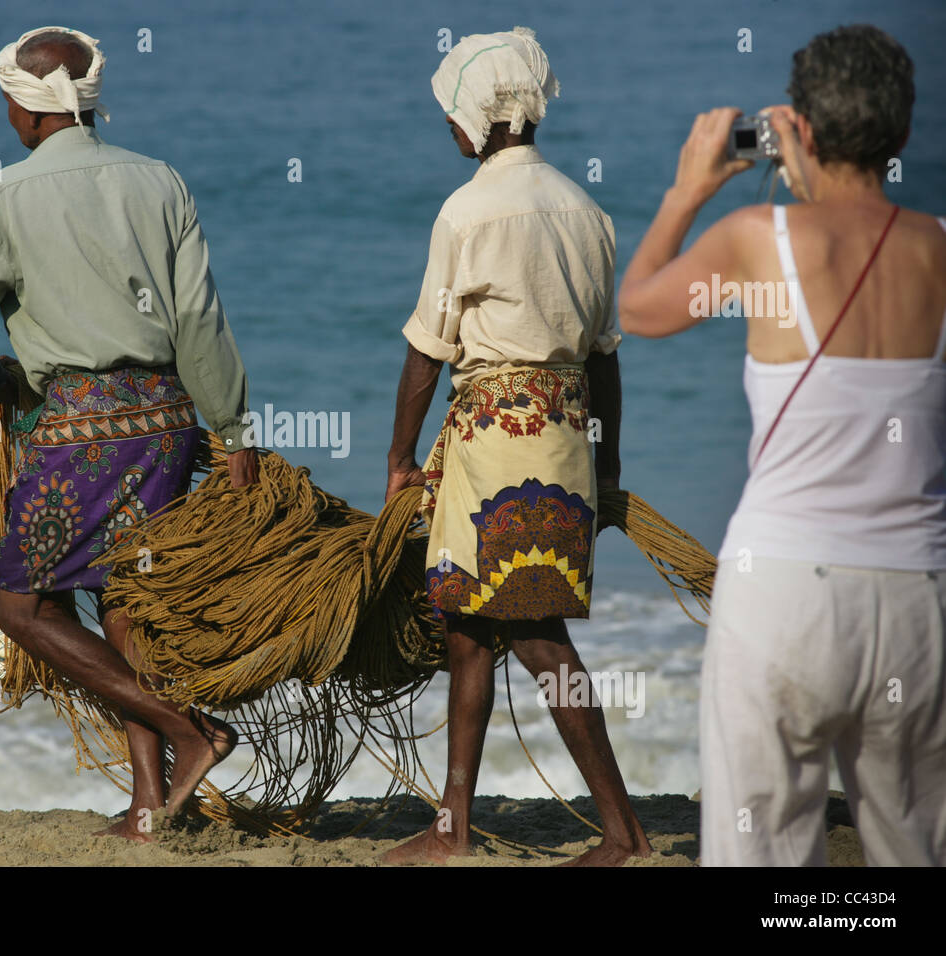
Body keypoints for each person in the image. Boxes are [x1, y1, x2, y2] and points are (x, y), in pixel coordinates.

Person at [619, 25, 946, 865]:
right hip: (917, 593)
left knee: (761, 849)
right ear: (902, 135)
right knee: (915, 845)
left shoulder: (760, 239)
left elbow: (639, 309)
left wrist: (688, 192)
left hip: (784, 595)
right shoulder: (938, 249)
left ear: (797, 130)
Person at [0, 27, 255, 841]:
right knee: (124, 602)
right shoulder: (159, 181)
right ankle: (150, 800)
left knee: (25, 605)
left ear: (25, 108)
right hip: (169, 423)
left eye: (7, 98)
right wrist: (236, 429)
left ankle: (193, 734)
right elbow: (198, 322)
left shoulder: (4, 196)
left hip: (80, 433)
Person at [384, 29, 651, 865]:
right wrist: (605, 467)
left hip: (495, 448)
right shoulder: (586, 211)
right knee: (469, 624)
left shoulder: (467, 211)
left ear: (484, 117)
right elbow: (604, 358)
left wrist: (399, 459)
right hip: (567, 438)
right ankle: (452, 827)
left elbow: (428, 350)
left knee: (536, 635)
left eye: (452, 114)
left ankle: (623, 832)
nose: (447, 128)